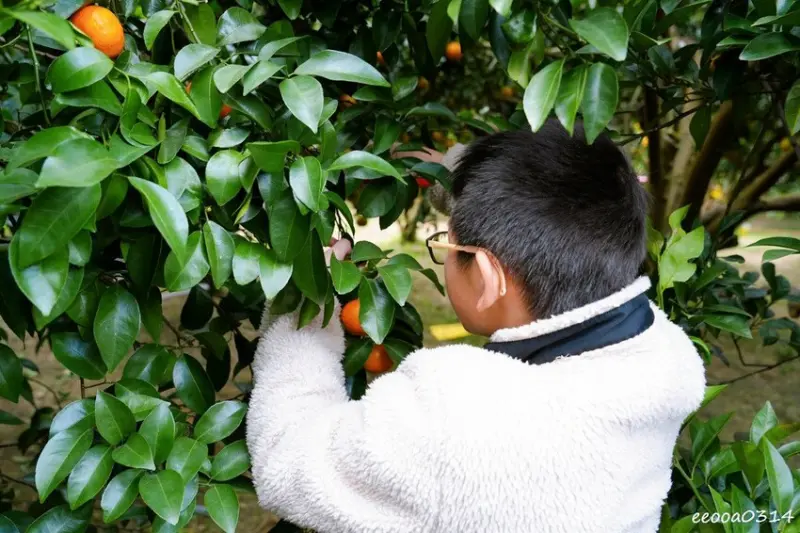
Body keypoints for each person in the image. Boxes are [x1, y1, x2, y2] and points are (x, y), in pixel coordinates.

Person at [245, 120, 707, 533]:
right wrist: (450, 168)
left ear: (487, 278)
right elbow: (553, 183)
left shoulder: (455, 420)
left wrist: (304, 304)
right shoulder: (660, 352)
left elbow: (288, 459)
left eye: (447, 244)